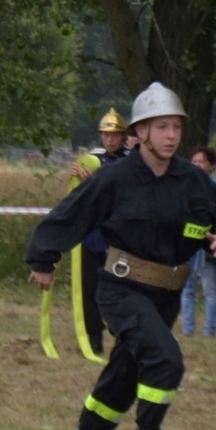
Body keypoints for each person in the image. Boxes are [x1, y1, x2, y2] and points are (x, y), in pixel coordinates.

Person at [26, 83, 216, 430]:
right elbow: (70, 215)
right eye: (161, 127)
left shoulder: (195, 182)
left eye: (176, 128)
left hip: (165, 298)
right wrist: (43, 259)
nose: (170, 135)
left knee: (121, 384)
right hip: (120, 290)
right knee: (166, 361)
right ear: (141, 132)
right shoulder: (115, 178)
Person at [69, 108, 130, 353]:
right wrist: (78, 180)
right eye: (106, 134)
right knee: (88, 290)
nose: (110, 139)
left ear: (123, 136)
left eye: (115, 134)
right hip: (91, 237)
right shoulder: (93, 160)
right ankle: (93, 341)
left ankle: (122, 336)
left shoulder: (130, 163)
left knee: (117, 291)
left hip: (117, 239)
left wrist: (95, 182)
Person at [180, 147, 216, 336]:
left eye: (202, 161)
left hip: (208, 249)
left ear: (211, 166)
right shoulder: (184, 187)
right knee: (187, 289)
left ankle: (209, 330)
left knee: (210, 291)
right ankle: (188, 329)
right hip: (189, 247)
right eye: (195, 161)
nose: (198, 165)